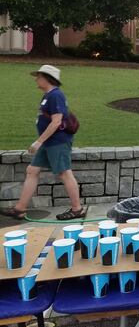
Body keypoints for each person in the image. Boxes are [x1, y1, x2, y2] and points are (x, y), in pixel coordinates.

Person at [1, 65, 86, 221]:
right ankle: (19, 209)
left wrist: (39, 142)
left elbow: (56, 122)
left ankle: (77, 209)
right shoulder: (48, 95)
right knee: (32, 170)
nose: (36, 79)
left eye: (38, 76)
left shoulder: (56, 95)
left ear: (47, 78)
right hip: (49, 142)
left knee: (64, 173)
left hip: (57, 142)